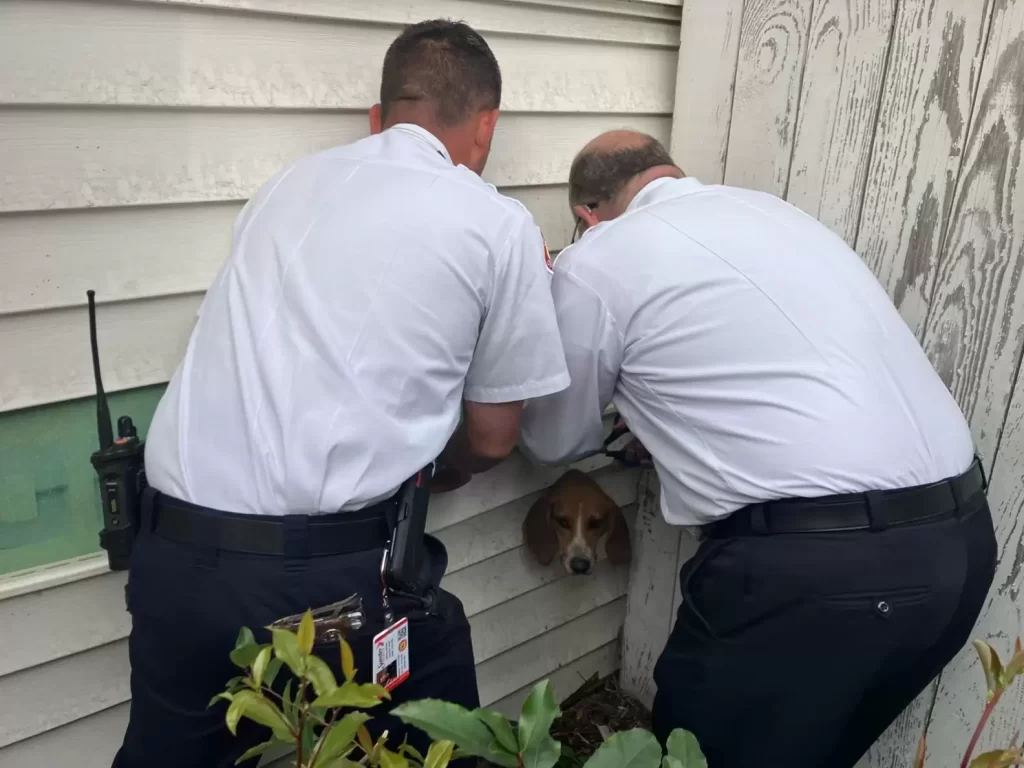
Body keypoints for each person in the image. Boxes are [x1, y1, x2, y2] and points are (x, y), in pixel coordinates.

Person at [114, 19, 569, 768]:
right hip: (318, 582)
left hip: (171, 559)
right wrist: (437, 465)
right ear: (485, 127)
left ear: (377, 117)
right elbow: (493, 436)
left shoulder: (285, 188)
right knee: (436, 728)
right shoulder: (494, 223)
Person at [519, 130, 996, 767]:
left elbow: (553, 437)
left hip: (818, 574)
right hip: (959, 551)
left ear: (587, 215)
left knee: (699, 756)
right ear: (670, 172)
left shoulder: (600, 256)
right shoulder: (774, 214)